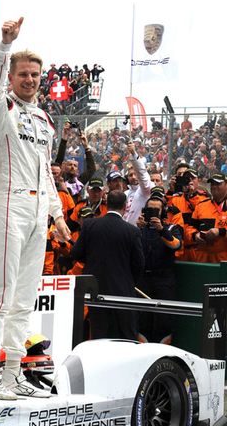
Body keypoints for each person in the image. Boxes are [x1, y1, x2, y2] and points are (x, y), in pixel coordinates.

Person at [0, 17, 70, 400]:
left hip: (37, 209)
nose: (30, 80)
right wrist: (4, 46)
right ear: (11, 77)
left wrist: (58, 215)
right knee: (0, 295)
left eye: (35, 75)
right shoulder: (1, 108)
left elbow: (46, 172)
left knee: (24, 298)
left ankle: (13, 373)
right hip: (8, 202)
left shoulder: (45, 119)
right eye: (23, 74)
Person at [71, 190, 144, 339]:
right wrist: (128, 281)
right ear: (125, 206)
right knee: (126, 335)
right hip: (122, 291)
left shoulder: (89, 225)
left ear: (107, 204)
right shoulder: (132, 231)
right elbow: (139, 264)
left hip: (95, 289)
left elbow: (76, 253)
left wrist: (92, 261)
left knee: (99, 334)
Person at [137, 194, 182, 344]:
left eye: (157, 210)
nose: (153, 213)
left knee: (164, 320)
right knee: (142, 319)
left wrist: (162, 230)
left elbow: (176, 245)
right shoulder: (139, 229)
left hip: (164, 279)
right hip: (143, 280)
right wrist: (137, 229)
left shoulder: (172, 228)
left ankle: (163, 353)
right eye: (150, 210)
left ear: (163, 212)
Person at [187, 173, 227, 263]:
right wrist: (195, 236)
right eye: (212, 184)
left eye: (218, 184)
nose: (214, 186)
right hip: (202, 258)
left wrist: (220, 232)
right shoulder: (201, 206)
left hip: (224, 259)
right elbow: (190, 228)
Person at [123, 143, 154, 225]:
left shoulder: (145, 190)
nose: (133, 177)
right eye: (130, 175)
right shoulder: (125, 194)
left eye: (135, 174)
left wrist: (134, 154)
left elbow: (142, 175)